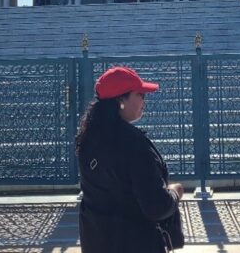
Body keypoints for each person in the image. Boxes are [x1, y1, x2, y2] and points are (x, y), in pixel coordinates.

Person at [77, 66, 184, 252]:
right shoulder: (132, 144)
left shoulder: (87, 137)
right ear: (121, 101)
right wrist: (175, 193)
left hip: (96, 241)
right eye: (140, 94)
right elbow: (157, 206)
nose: (144, 100)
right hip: (135, 242)